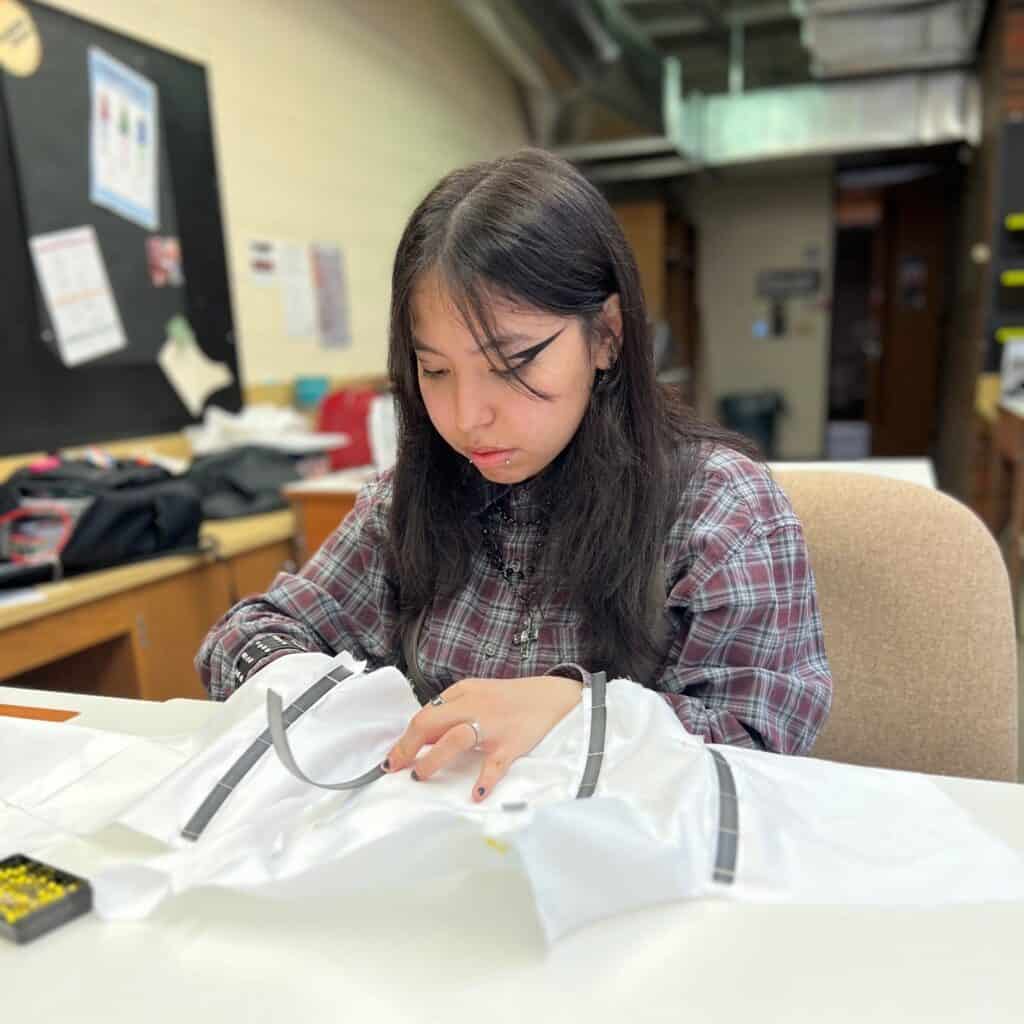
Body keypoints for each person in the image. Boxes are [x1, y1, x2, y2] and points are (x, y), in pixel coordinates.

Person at [197, 148, 832, 802]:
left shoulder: (723, 512)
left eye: (511, 362)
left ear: (606, 334)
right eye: (436, 371)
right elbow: (247, 634)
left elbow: (763, 746)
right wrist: (322, 695)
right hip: (429, 859)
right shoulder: (408, 498)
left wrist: (579, 715)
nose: (469, 417)